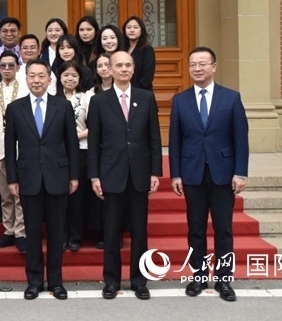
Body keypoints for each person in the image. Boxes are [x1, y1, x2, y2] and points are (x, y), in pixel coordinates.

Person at [169, 47, 249, 302]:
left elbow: (241, 138)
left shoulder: (231, 98)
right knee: (196, 229)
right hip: (192, 174)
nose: (197, 68)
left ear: (213, 67)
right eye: (193, 64)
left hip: (223, 174)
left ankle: (224, 279)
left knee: (223, 229)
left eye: (203, 63)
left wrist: (240, 172)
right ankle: (199, 276)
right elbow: (174, 141)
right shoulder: (180, 100)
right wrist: (175, 174)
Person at [87, 51, 162, 301]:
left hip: (139, 174)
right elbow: (94, 143)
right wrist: (94, 176)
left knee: (139, 232)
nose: (124, 69)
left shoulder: (146, 97)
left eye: (128, 65)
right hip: (111, 174)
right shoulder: (99, 101)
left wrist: (155, 171)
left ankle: (140, 281)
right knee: (111, 232)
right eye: (119, 65)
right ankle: (111, 281)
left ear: (133, 68)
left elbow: (154, 138)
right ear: (109, 69)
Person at [4, 59, 79, 301]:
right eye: (32, 76)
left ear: (49, 79)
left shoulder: (63, 106)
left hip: (58, 176)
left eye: (41, 76)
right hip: (28, 179)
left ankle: (56, 282)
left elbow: (72, 143)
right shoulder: (15, 108)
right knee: (32, 233)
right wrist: (12, 178)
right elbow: (10, 146)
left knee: (57, 234)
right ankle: (34, 281)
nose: (36, 80)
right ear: (26, 79)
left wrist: (74, 175)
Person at [0, 51, 29, 253]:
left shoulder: (25, 89)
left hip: (22, 149)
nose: (6, 69)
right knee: (5, 195)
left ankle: (21, 233)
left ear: (18, 67)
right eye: (3, 65)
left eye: (11, 65)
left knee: (20, 194)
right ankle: (8, 230)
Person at [55, 60, 93, 251]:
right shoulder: (52, 98)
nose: (70, 78)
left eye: (74, 75)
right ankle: (61, 235)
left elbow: (93, 126)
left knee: (77, 197)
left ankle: (75, 237)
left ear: (80, 78)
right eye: (66, 75)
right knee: (60, 196)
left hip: (81, 150)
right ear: (59, 77)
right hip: (58, 152)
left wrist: (72, 137)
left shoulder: (86, 98)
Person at [123, 16, 156, 91]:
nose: (132, 30)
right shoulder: (122, 48)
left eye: (135, 27)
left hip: (142, 91)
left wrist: (132, 90)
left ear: (141, 30)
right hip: (123, 92)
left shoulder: (147, 50)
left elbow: (147, 77)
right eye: (128, 27)